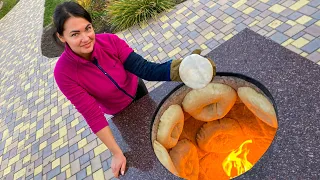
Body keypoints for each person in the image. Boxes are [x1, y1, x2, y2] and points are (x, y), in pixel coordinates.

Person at [53, 1, 215, 178]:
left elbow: (145, 69)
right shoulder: (64, 73)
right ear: (62, 37)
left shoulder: (109, 41)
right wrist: (116, 153)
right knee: (143, 147)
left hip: (138, 90)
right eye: (75, 34)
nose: (86, 38)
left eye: (88, 28)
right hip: (119, 112)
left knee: (159, 127)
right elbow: (92, 115)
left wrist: (183, 69)